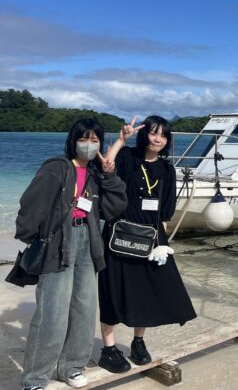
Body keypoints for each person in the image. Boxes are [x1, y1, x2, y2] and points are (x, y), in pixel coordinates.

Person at [16, 118, 127, 390]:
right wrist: (31, 237)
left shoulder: (96, 174)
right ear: (73, 140)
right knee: (52, 313)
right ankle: (35, 379)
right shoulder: (57, 167)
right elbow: (32, 204)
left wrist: (110, 175)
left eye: (95, 140)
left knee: (84, 308)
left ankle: (72, 366)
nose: (89, 145)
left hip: (88, 242)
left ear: (101, 144)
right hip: (58, 243)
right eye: (84, 138)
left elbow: (115, 208)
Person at [97, 116, 197, 373]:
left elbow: (165, 211)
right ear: (145, 135)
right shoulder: (128, 157)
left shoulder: (167, 170)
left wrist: (163, 243)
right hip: (119, 235)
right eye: (153, 133)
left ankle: (138, 342)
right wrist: (121, 139)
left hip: (150, 240)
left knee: (147, 290)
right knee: (112, 290)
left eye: (163, 135)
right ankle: (108, 349)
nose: (157, 139)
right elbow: (106, 165)